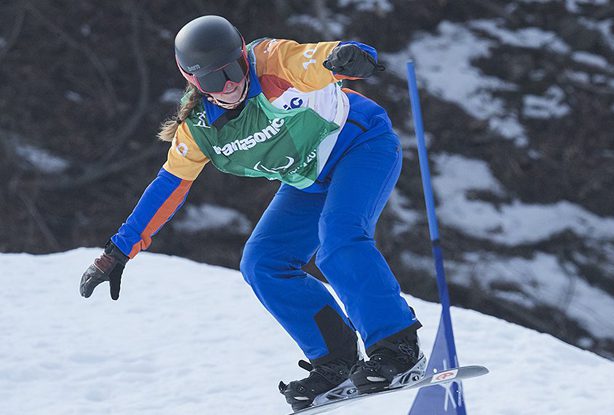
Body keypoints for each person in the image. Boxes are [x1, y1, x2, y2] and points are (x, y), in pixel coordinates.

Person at [78, 15, 423, 410]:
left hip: (360, 147)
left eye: (233, 69)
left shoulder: (273, 64)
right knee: (262, 262)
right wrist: (117, 251)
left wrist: (350, 56)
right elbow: (168, 187)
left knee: (340, 240)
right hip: (307, 181)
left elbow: (314, 58)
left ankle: (397, 347)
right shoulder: (199, 129)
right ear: (193, 82)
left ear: (243, 56)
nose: (229, 85)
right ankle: (337, 361)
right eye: (212, 80)